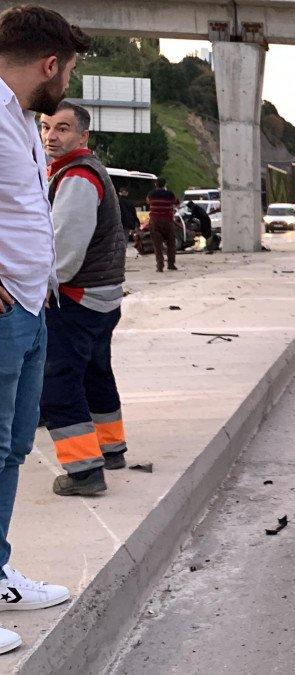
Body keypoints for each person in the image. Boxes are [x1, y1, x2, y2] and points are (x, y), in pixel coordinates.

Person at [0, 3, 87, 653]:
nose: (67, 83)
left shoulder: (23, 123)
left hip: (32, 306)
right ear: (50, 64)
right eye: (69, 69)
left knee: (10, 450)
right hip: (4, 311)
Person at [40, 101, 129, 496]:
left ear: (83, 136)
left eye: (62, 129)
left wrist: (41, 288)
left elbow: (65, 250)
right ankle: (110, 448)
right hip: (103, 296)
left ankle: (84, 471)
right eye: (45, 128)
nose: (51, 137)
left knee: (59, 381)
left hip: (76, 297)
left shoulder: (76, 177)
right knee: (96, 372)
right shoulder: (86, 170)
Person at [145, 178, 177, 272]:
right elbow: (176, 202)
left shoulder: (151, 194)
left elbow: (147, 201)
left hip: (155, 221)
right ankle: (171, 264)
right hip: (167, 221)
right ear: (165, 184)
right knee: (171, 244)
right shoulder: (170, 194)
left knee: (157, 245)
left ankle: (160, 266)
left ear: (156, 184)